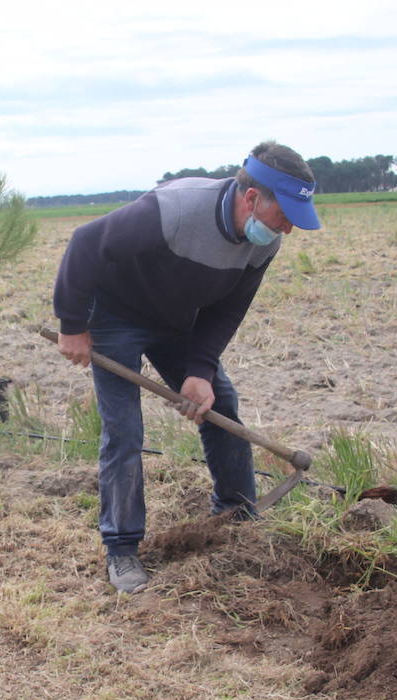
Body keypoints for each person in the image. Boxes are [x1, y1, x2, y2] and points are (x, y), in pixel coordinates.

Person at [53, 140, 321, 593]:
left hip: (178, 322)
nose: (288, 231)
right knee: (124, 431)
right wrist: (72, 325)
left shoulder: (264, 243)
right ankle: (122, 549)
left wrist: (199, 369)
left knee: (221, 405)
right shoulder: (174, 209)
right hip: (116, 318)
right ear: (253, 198)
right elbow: (86, 242)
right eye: (284, 216)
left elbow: (228, 309)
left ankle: (235, 517)